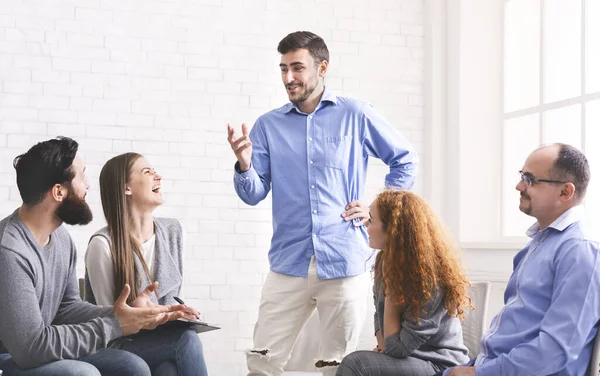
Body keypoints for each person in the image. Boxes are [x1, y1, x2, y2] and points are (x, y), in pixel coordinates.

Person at [226, 31, 419, 375]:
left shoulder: (356, 114)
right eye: (283, 68)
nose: (288, 77)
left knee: (334, 364)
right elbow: (253, 193)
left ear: (322, 67)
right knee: (262, 359)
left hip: (344, 261)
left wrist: (379, 210)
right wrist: (244, 164)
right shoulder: (268, 126)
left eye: (297, 68)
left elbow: (404, 159)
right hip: (289, 262)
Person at [0, 137, 186, 376]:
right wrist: (114, 325)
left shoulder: (60, 239)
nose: (88, 186)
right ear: (59, 191)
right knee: (83, 374)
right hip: (10, 358)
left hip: (36, 351)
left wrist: (125, 313)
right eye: (82, 177)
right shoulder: (10, 250)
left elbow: (66, 309)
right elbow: (30, 347)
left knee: (132, 366)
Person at [444, 143, 600, 376]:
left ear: (565, 192)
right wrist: (474, 367)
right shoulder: (540, 242)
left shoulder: (580, 249)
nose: (519, 186)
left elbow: (555, 351)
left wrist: (479, 373)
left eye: (530, 179)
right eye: (521, 176)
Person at [84, 152, 208, 376]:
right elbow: (110, 324)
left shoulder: (174, 233)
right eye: (147, 172)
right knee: (186, 340)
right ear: (126, 188)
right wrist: (142, 316)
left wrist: (177, 314)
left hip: (158, 340)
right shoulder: (103, 246)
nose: (157, 176)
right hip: (116, 344)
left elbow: (169, 301)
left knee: (169, 370)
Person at [336, 190, 471, 376]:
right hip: (406, 357)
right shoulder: (384, 261)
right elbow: (380, 314)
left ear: (392, 229)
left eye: (372, 220)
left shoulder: (430, 280)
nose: (365, 223)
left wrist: (391, 290)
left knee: (356, 364)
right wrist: (384, 348)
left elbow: (397, 349)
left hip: (438, 364)